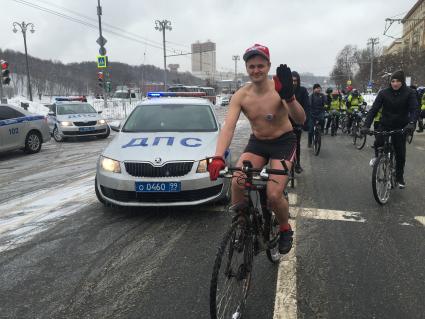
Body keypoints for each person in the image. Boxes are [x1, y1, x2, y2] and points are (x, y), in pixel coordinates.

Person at [207, 44, 306, 254]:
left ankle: (285, 228)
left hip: (283, 141)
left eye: (260, 65)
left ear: (268, 66)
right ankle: (241, 224)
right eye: (251, 66)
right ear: (246, 68)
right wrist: (218, 157)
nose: (256, 70)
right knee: (237, 181)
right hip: (258, 142)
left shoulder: (279, 89)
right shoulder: (241, 95)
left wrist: (290, 97)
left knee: (273, 193)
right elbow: (229, 127)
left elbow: (300, 119)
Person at [361, 70, 418, 188]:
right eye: (393, 81)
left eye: (398, 81)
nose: (395, 83)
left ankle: (399, 177)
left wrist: (412, 123)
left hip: (401, 127)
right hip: (386, 124)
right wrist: (366, 125)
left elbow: (414, 109)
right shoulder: (383, 93)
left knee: (400, 153)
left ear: (402, 82)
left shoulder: (410, 93)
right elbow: (374, 110)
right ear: (390, 82)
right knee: (378, 142)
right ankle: (378, 159)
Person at [291, 71, 310, 173]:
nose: (293, 83)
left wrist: (305, 122)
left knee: (297, 144)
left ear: (298, 81)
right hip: (285, 121)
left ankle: (297, 163)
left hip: (298, 121)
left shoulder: (302, 91)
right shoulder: (285, 90)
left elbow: (306, 106)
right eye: (292, 80)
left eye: (295, 80)